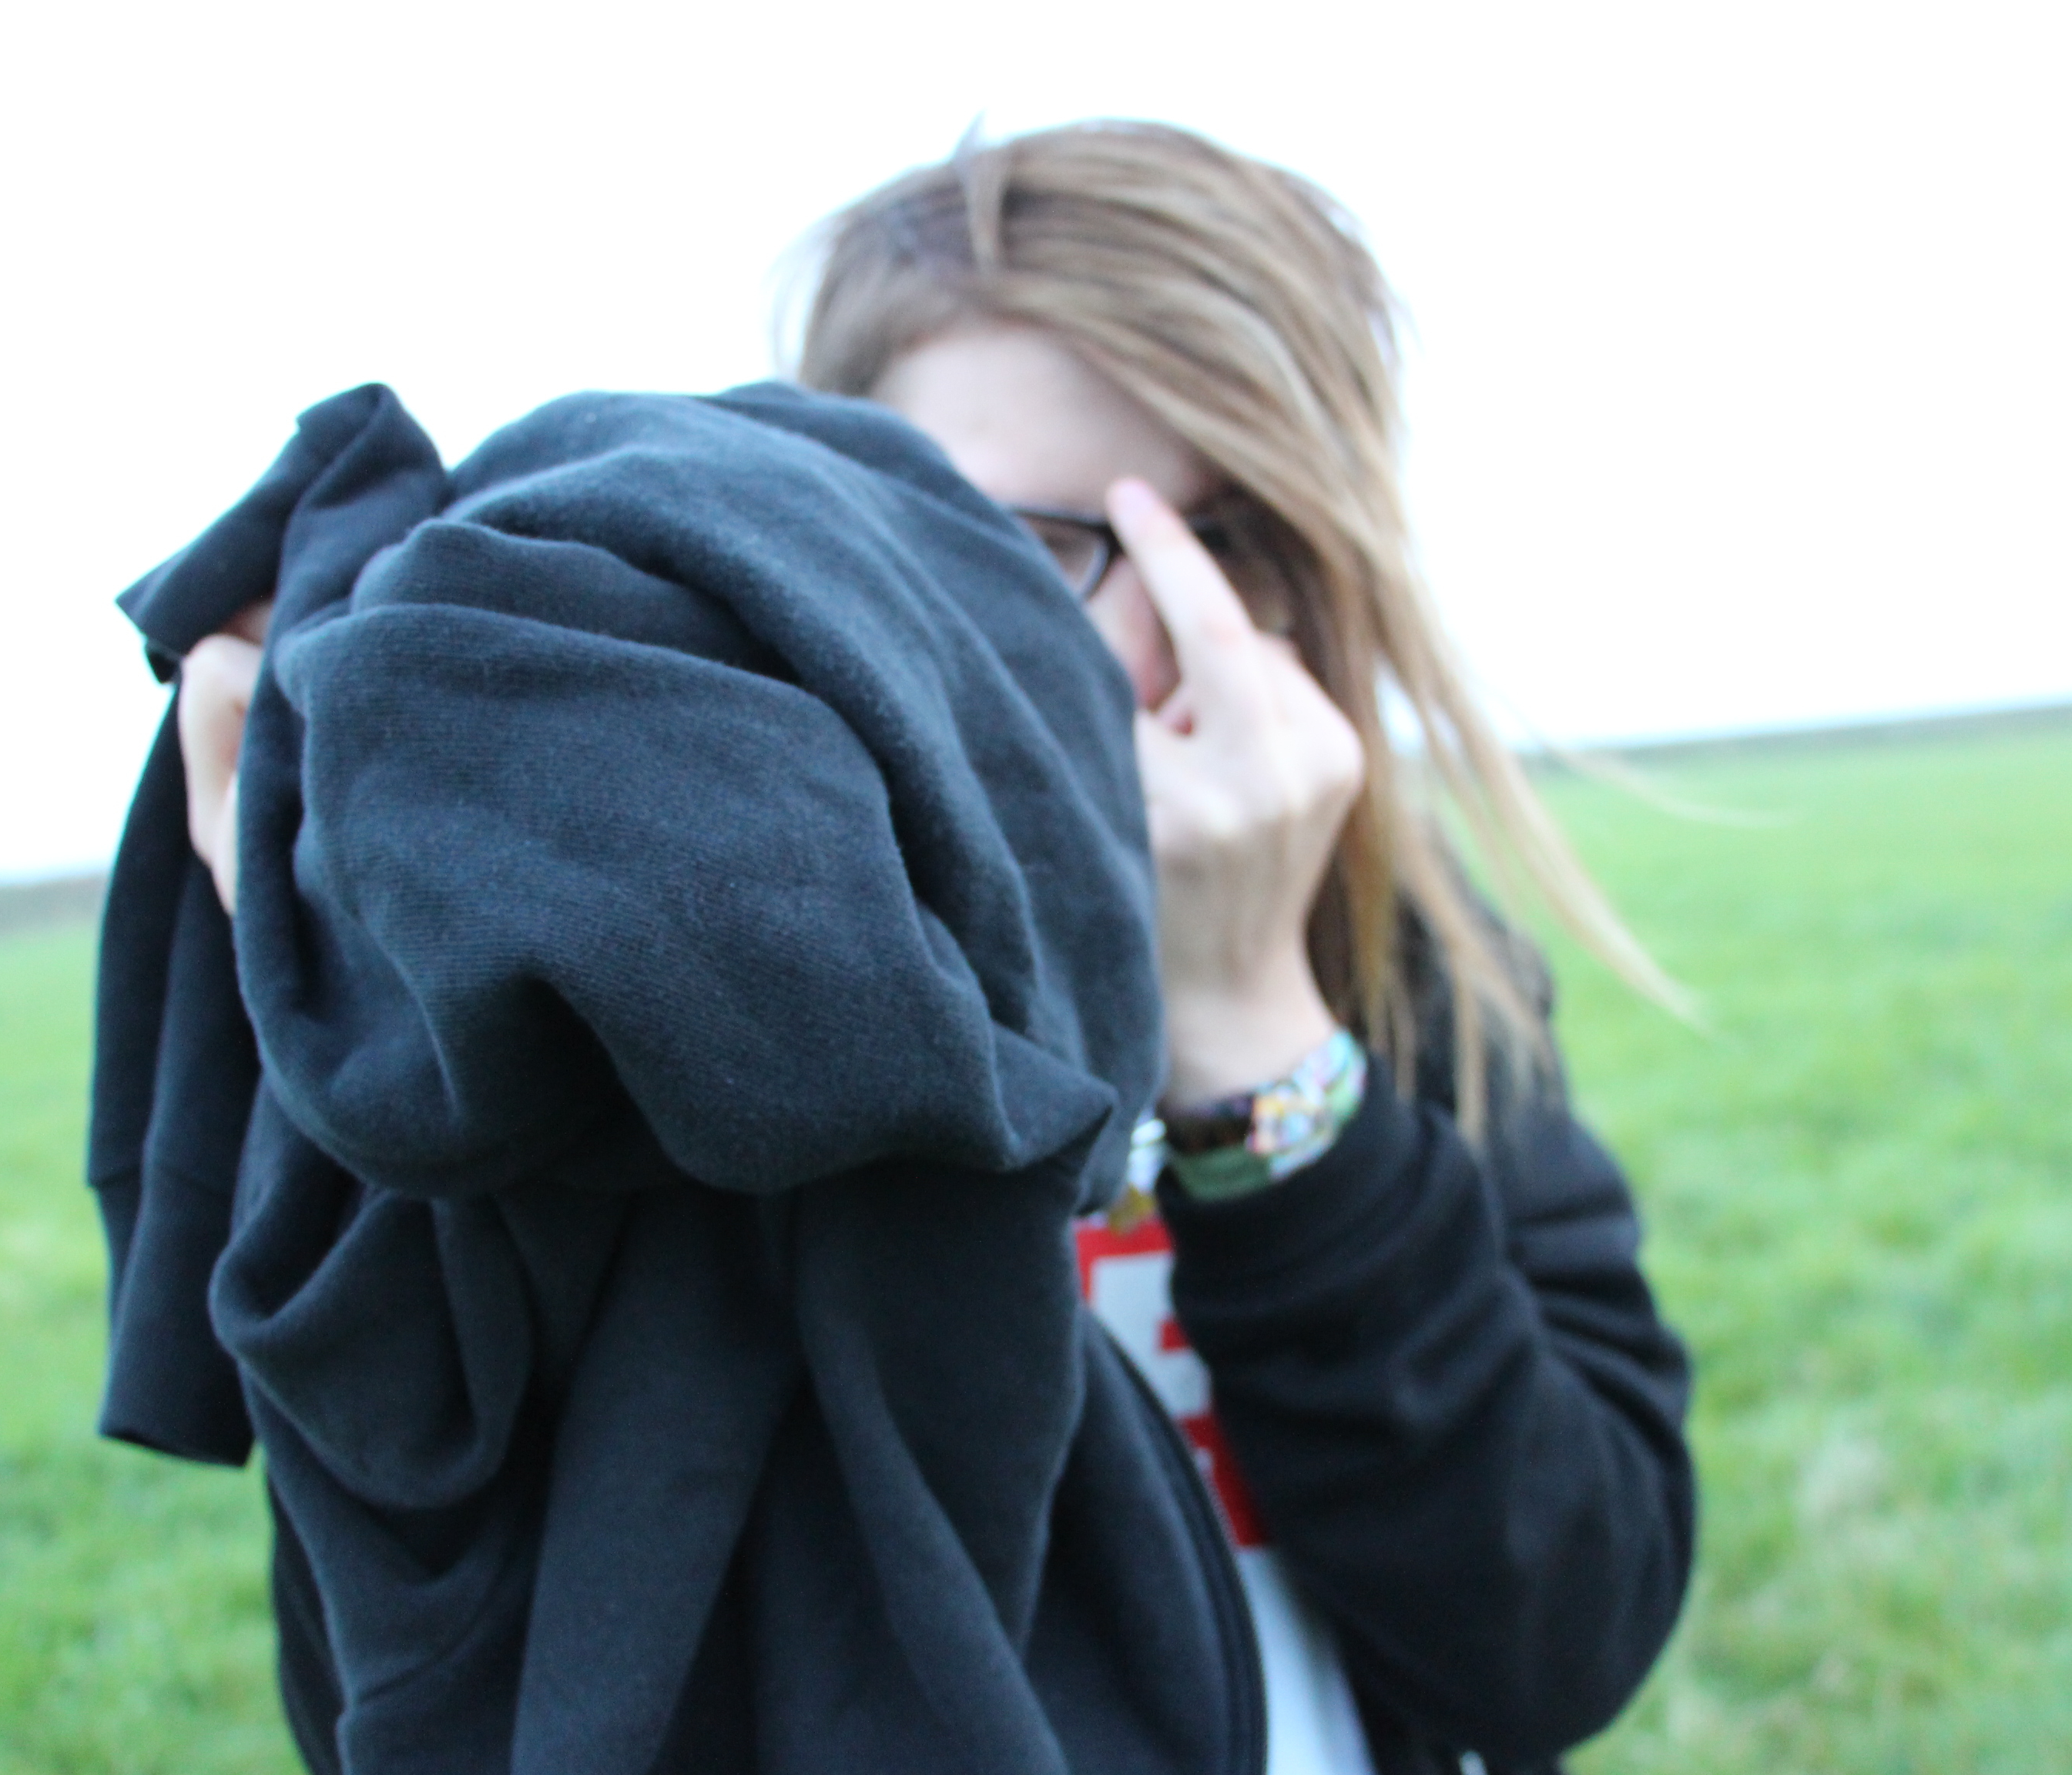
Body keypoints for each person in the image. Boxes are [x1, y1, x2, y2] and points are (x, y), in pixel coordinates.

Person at [169, 120, 1691, 1775]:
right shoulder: (703, 1031)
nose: (1159, 637)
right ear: (812, 539)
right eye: (1020, 550)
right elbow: (439, 1693)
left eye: (1233, 544)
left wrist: (1263, 1050)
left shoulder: (1405, 963)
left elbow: (1562, 1636)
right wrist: (367, 998)